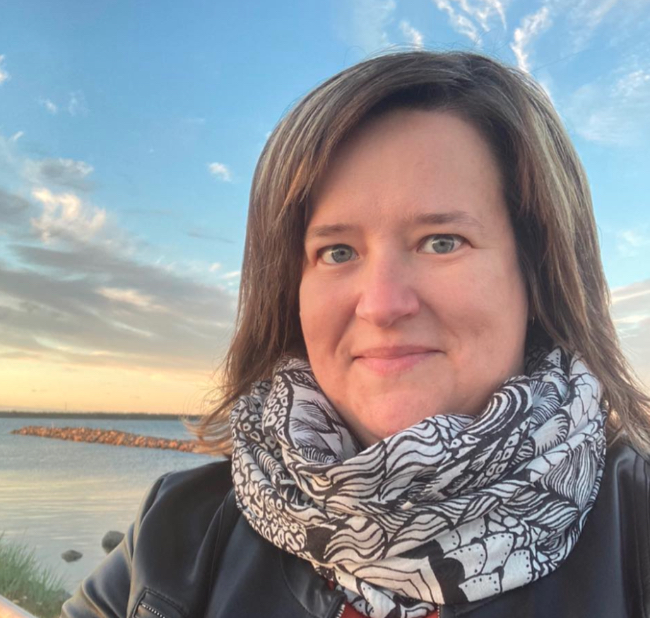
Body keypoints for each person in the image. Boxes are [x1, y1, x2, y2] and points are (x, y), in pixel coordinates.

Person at [62, 50, 650, 618]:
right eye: (338, 251)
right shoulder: (175, 532)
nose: (382, 305)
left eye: (441, 242)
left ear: (537, 270)